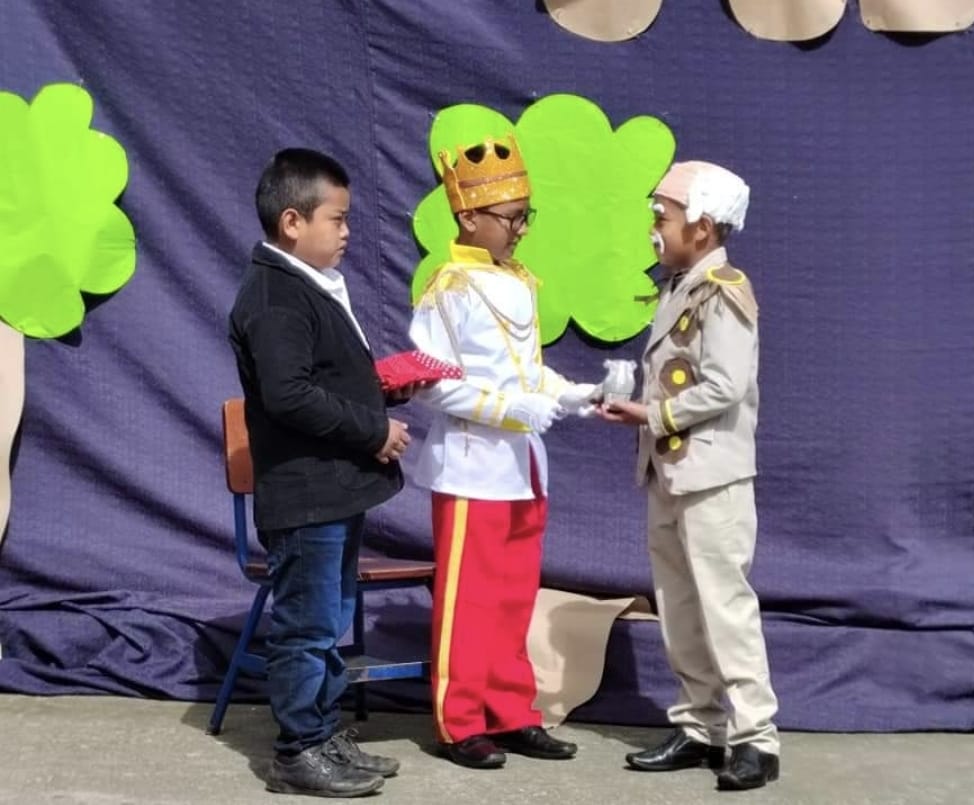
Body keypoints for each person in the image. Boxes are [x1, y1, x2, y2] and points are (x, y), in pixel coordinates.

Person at [408, 135, 597, 769]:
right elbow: (430, 382)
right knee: (469, 602)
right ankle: (459, 722)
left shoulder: (518, 281)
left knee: (514, 598)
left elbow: (527, 373)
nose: (519, 229)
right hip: (471, 466)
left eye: (524, 215)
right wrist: (509, 409)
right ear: (468, 218)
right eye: (509, 217)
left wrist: (576, 394)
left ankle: (511, 711)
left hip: (522, 467)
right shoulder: (449, 288)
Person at [229, 148, 411, 797]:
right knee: (306, 623)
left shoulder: (303, 283)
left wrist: (380, 391)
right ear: (291, 222)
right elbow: (289, 395)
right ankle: (297, 749)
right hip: (305, 493)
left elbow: (322, 378)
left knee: (327, 615)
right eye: (336, 218)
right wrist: (373, 428)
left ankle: (324, 729)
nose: (346, 230)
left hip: (330, 489)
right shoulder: (277, 295)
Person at [598, 161, 781, 791]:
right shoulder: (679, 285)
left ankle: (755, 735)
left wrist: (655, 412)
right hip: (669, 470)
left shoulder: (723, 288)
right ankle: (702, 725)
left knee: (724, 606)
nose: (655, 228)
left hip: (711, 476)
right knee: (678, 607)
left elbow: (727, 385)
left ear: (701, 227)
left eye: (664, 216)